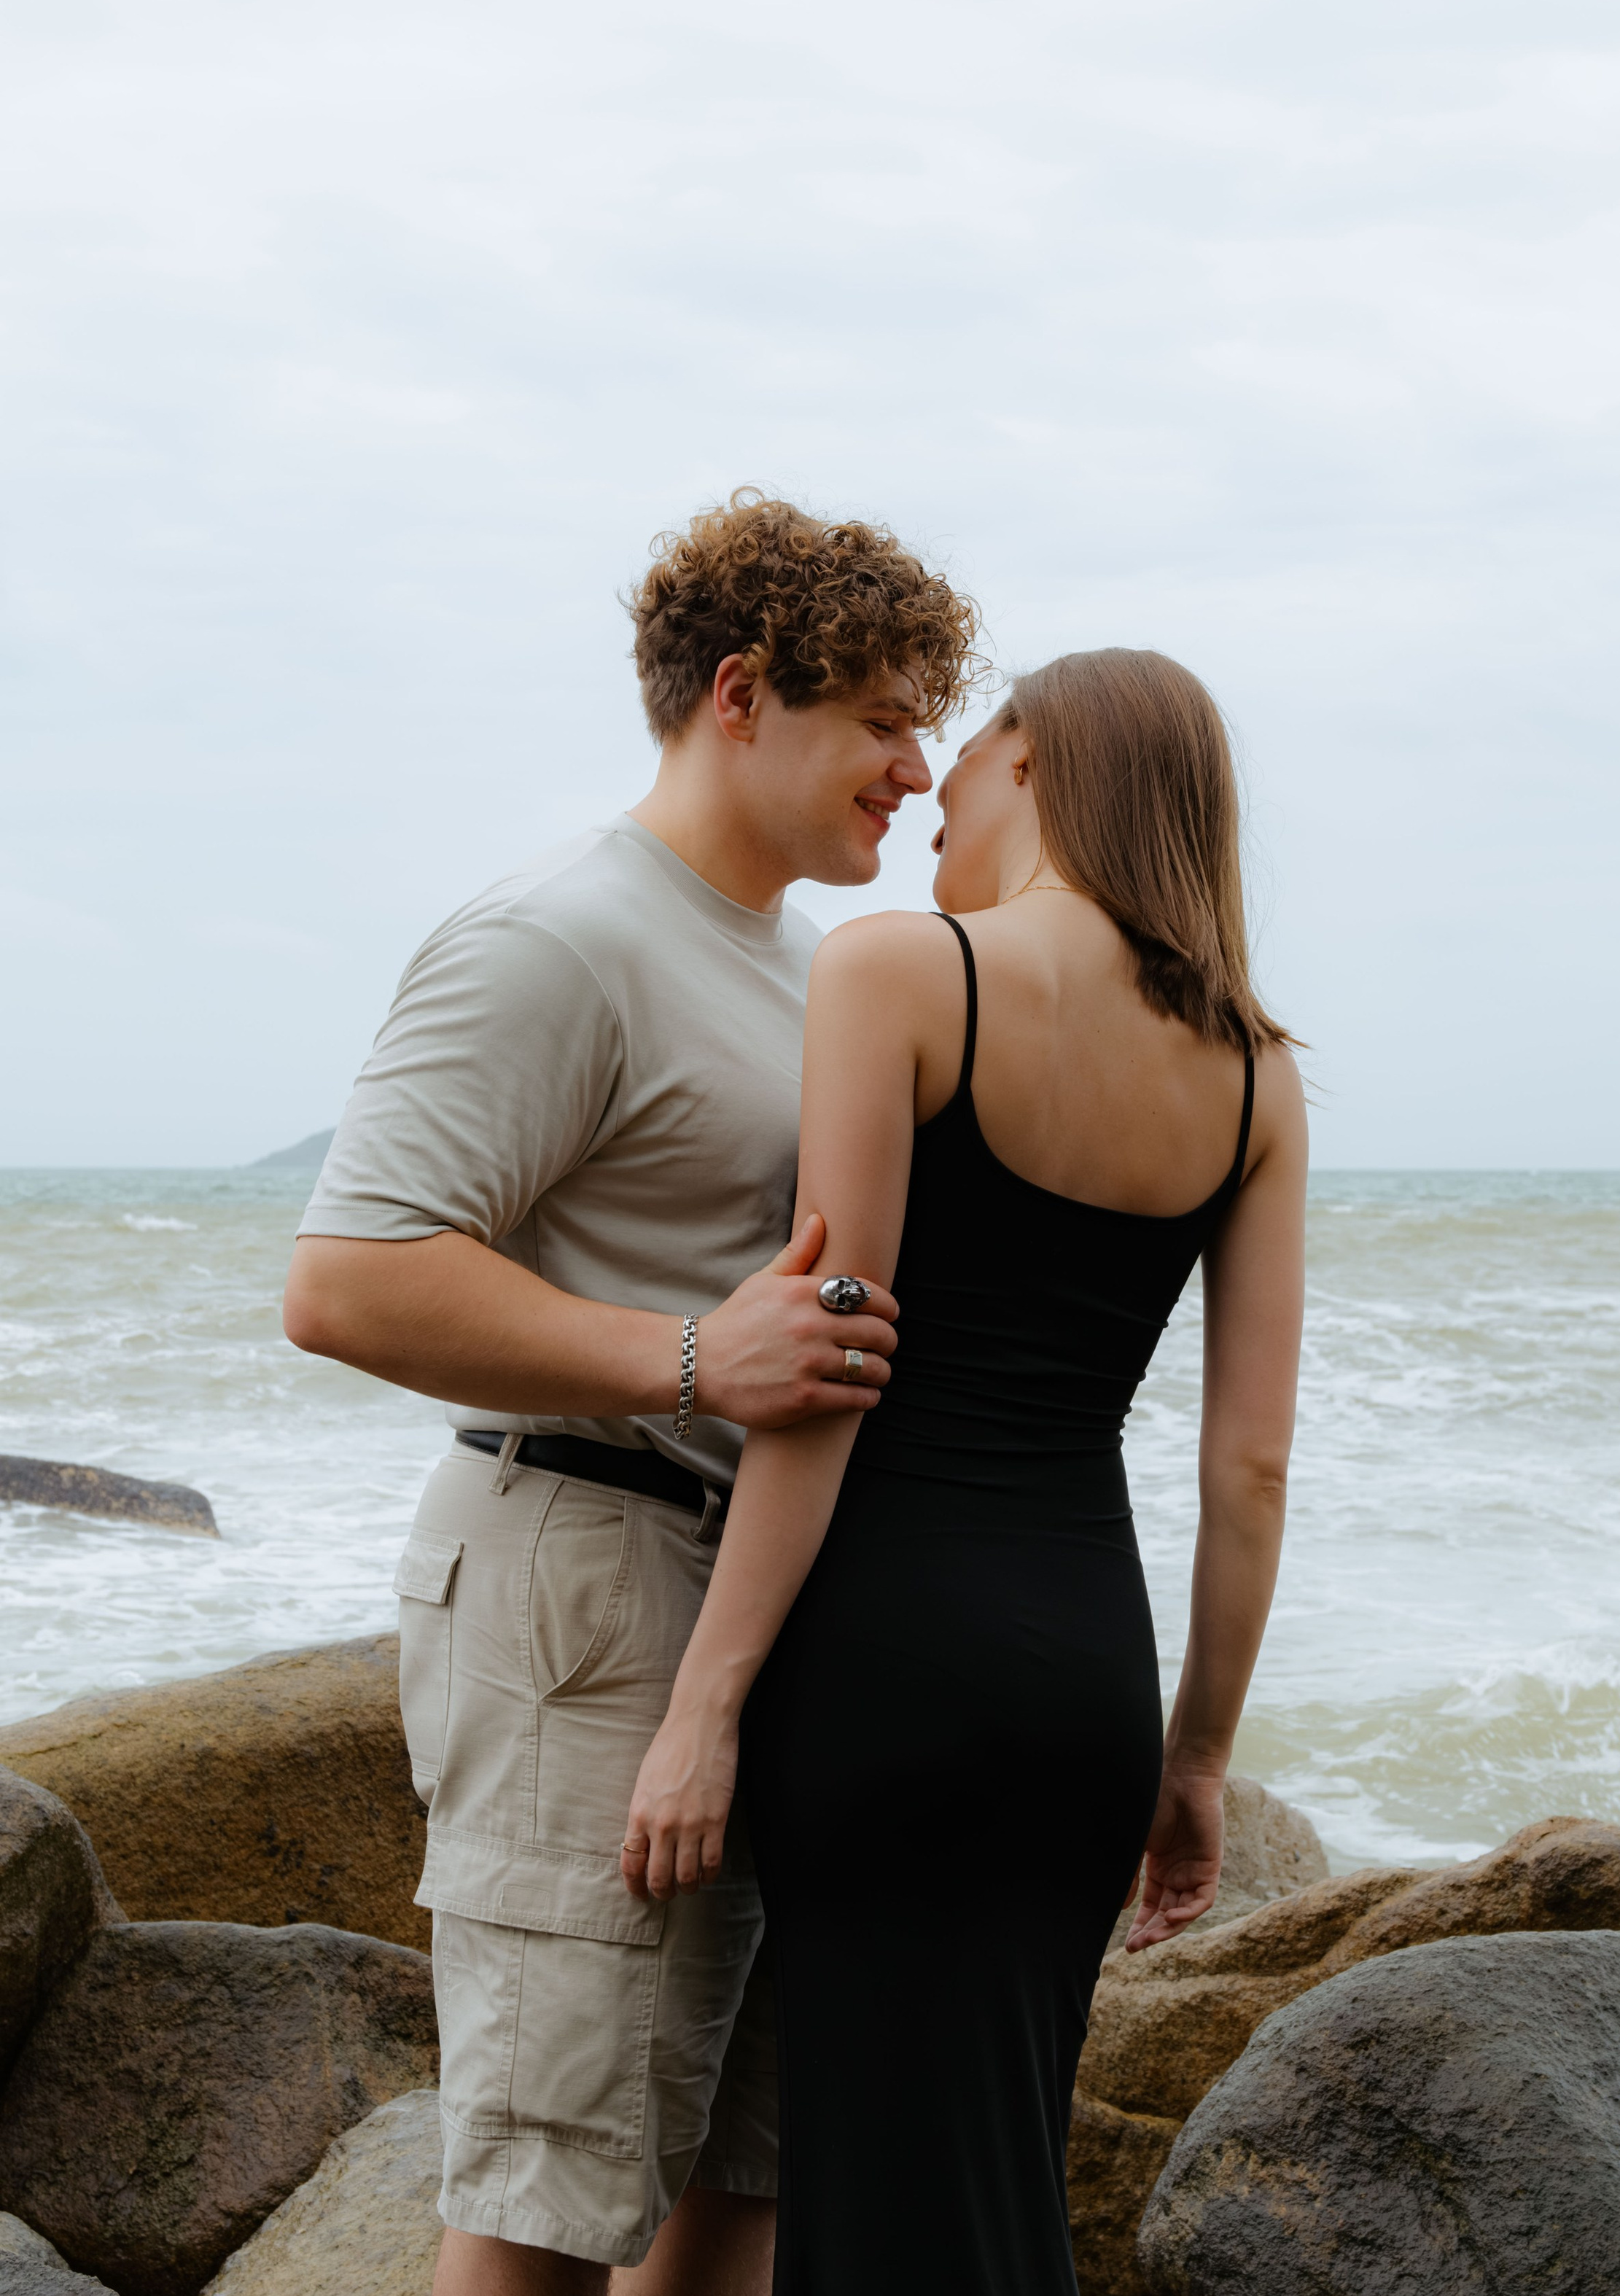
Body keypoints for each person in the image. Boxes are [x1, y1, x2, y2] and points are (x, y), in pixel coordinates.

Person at [281, 491, 983, 2296]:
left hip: (746, 1602)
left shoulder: (817, 969)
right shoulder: (558, 934)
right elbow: (347, 1280)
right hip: (579, 1583)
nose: (919, 764)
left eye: (928, 723)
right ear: (741, 694)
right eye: (884, 719)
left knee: (732, 2183)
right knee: (545, 2199)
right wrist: (688, 1355)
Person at [620, 646, 1307, 2295]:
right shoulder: (1253, 1076)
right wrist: (1193, 1757)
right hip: (1082, 1671)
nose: (931, 789)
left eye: (970, 744)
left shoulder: (897, 975)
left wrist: (706, 1698)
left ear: (1040, 764)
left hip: (881, 1662)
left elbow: (829, 1368)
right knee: (991, 2151)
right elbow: (1249, 1470)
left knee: (864, 2182)